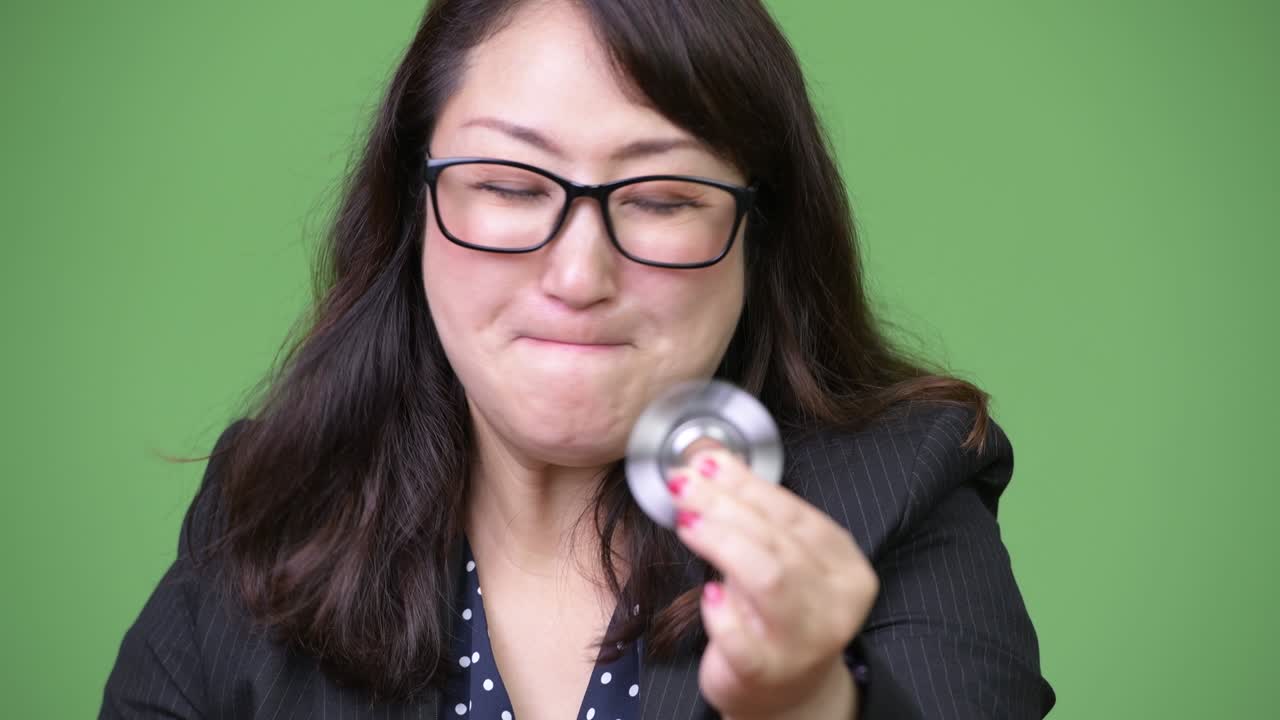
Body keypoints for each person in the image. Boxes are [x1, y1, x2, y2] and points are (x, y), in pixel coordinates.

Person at [100, 0, 1056, 718]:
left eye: (664, 199)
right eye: (511, 186)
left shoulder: (902, 491)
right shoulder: (267, 509)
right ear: (414, 209)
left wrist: (809, 701)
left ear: (759, 236)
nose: (577, 272)